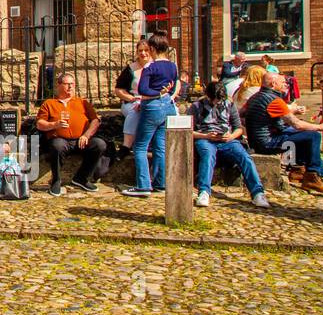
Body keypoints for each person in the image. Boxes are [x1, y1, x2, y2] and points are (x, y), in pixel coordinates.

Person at [244, 71, 323, 193]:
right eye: (283, 82)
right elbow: (297, 124)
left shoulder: (255, 97)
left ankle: (298, 171)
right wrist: (320, 127)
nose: (286, 84)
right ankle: (312, 178)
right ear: (273, 83)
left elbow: (241, 113)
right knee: (313, 135)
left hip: (257, 140)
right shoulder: (274, 100)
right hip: (267, 143)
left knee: (303, 134)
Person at [189, 83, 270, 208]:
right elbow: (187, 130)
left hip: (227, 140)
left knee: (245, 157)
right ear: (208, 96)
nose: (217, 103)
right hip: (205, 139)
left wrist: (231, 136)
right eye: (214, 100)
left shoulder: (229, 104)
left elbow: (239, 128)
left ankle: (257, 193)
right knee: (207, 156)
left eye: (219, 100)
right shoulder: (196, 106)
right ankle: (204, 191)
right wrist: (206, 136)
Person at [122, 33, 179, 197]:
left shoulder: (150, 68)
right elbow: (173, 86)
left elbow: (142, 90)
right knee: (160, 146)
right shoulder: (173, 66)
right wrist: (164, 92)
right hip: (168, 105)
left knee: (140, 146)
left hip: (153, 107)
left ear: (153, 49)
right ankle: (160, 182)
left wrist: (157, 92)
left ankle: (143, 185)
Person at [36, 73, 105, 196]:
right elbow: (40, 124)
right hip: (61, 140)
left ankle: (81, 178)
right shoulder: (49, 103)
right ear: (59, 85)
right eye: (67, 84)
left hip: (81, 139)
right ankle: (56, 180)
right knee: (57, 146)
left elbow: (95, 120)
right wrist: (55, 125)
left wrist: (86, 135)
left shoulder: (82, 102)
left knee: (99, 144)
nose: (71, 87)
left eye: (72, 84)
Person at [113, 38, 151, 154]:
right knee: (136, 111)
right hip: (132, 101)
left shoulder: (157, 67)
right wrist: (132, 98)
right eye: (140, 50)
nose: (143, 53)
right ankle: (127, 145)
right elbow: (119, 89)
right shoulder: (131, 69)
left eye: (146, 50)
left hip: (151, 100)